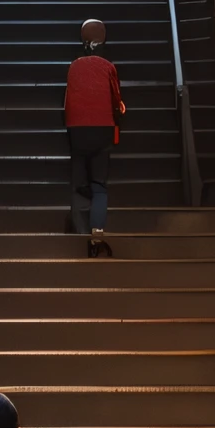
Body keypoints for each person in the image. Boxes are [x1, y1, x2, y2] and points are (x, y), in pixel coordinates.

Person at [64, 18, 125, 256]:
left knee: (79, 184)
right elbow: (116, 100)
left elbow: (68, 101)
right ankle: (96, 234)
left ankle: (79, 232)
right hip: (103, 129)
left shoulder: (74, 66)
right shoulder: (108, 67)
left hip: (77, 129)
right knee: (99, 186)